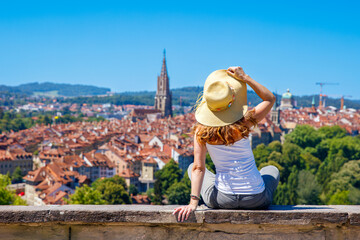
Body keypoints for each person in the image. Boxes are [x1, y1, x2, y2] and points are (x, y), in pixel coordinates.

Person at [173, 66, 280, 222]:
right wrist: (245, 78)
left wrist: (193, 202)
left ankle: (221, 184)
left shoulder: (201, 132)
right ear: (232, 99)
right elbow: (270, 99)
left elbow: (198, 168)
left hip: (223, 199)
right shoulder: (244, 123)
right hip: (256, 199)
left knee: (191, 167)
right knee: (271, 170)